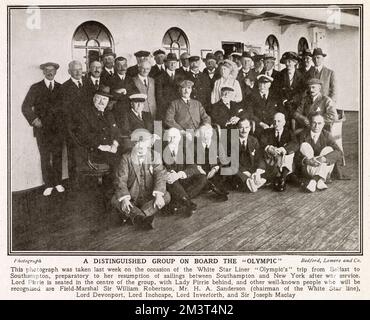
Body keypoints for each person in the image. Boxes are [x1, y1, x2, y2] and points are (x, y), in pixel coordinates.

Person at [111, 129, 170, 229]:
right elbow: (121, 180)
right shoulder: (126, 158)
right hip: (131, 196)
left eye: (144, 144)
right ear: (133, 145)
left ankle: (136, 216)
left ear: (149, 144)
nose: (141, 147)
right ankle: (144, 217)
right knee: (116, 200)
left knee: (166, 196)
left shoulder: (155, 156)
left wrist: (159, 195)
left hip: (149, 196)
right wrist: (125, 199)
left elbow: (160, 175)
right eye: (137, 144)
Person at [21, 62, 64, 196]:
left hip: (58, 129)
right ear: (43, 72)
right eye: (47, 70)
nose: (50, 72)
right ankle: (48, 184)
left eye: (52, 70)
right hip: (42, 129)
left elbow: (66, 108)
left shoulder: (61, 88)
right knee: (45, 156)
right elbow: (26, 107)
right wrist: (34, 120)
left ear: (56, 72)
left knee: (57, 156)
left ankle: (58, 182)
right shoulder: (35, 87)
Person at [162, 127, 208, 216]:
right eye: (169, 137)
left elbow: (193, 167)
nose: (171, 140)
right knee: (171, 181)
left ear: (179, 138)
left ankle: (180, 201)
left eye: (174, 137)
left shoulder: (184, 149)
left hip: (182, 180)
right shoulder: (161, 151)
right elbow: (160, 168)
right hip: (171, 182)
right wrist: (169, 174)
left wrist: (179, 174)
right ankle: (188, 203)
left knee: (202, 178)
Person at [296, 113, 342, 192]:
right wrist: (306, 160)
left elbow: (339, 152)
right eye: (314, 123)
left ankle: (314, 181)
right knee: (304, 145)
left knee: (328, 149)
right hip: (309, 166)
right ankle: (320, 180)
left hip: (323, 164)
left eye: (319, 123)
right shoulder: (303, 135)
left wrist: (324, 158)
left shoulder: (327, 135)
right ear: (310, 123)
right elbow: (296, 153)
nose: (316, 126)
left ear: (324, 124)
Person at [59, 60, 88, 187]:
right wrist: (70, 130)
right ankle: (74, 185)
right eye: (75, 70)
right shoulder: (64, 87)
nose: (78, 72)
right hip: (73, 129)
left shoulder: (87, 83)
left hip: (87, 127)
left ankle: (87, 182)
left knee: (87, 154)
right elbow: (64, 112)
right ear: (69, 72)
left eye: (80, 69)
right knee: (73, 157)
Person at [260, 112, 299, 191]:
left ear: (284, 122)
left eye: (279, 121)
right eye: (274, 121)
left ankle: (282, 178)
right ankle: (281, 177)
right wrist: (269, 148)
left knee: (289, 154)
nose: (276, 124)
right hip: (272, 160)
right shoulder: (266, 132)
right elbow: (262, 142)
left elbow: (295, 144)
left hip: (284, 158)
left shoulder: (289, 132)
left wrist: (284, 149)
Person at [228, 117, 266, 193]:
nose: (244, 130)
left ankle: (253, 181)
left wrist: (257, 172)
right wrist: (247, 173)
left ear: (250, 128)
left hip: (251, 167)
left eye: (246, 127)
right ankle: (248, 181)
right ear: (237, 128)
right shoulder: (231, 141)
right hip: (239, 168)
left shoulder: (253, 140)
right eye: (241, 128)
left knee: (268, 168)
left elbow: (259, 157)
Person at [194, 124, 229, 201]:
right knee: (199, 178)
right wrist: (198, 168)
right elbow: (191, 162)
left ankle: (215, 188)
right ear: (198, 134)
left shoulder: (217, 145)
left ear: (212, 133)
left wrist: (215, 168)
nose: (206, 136)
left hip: (214, 171)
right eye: (202, 133)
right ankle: (212, 187)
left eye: (208, 133)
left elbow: (224, 160)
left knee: (225, 170)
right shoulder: (194, 147)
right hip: (201, 172)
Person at [155, 53, 181, 120]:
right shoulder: (159, 77)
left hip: (178, 109)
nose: (173, 65)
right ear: (166, 63)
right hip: (164, 108)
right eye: (170, 63)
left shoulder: (181, 76)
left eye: (174, 63)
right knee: (160, 129)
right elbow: (159, 96)